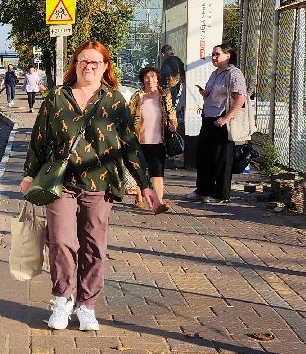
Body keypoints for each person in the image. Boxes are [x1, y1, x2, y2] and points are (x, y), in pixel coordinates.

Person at [20, 41, 151, 331]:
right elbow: (39, 139)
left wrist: (145, 183)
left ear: (105, 67)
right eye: (83, 61)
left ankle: (87, 305)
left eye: (95, 62)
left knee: (94, 246)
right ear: (75, 65)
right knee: (62, 242)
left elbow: (129, 144)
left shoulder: (114, 100)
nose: (88, 67)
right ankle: (62, 298)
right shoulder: (57, 97)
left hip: (100, 183)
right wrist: (29, 175)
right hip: (61, 183)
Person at [191, 44, 247, 204]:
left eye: (217, 54)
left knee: (220, 158)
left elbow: (240, 98)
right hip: (208, 117)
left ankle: (221, 194)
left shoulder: (234, 74)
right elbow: (215, 95)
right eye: (212, 55)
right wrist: (205, 94)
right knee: (204, 156)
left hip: (221, 120)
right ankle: (202, 190)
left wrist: (226, 118)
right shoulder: (215, 73)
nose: (214, 57)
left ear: (228, 55)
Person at [127, 65, 178, 214]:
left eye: (153, 77)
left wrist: (174, 123)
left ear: (157, 79)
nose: (150, 80)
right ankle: (140, 198)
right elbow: (129, 116)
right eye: (147, 77)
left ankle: (159, 202)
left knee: (157, 172)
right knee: (141, 172)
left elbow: (171, 112)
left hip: (158, 141)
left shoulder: (163, 95)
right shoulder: (138, 96)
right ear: (143, 80)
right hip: (139, 140)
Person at [158, 44, 186, 117]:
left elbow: (163, 78)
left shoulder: (167, 63)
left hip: (172, 92)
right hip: (181, 90)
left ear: (163, 54)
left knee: (171, 111)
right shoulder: (178, 60)